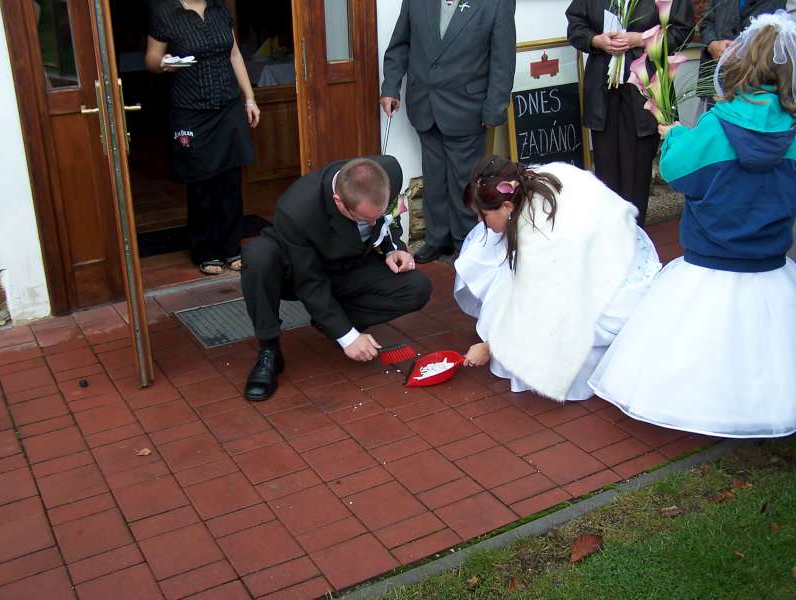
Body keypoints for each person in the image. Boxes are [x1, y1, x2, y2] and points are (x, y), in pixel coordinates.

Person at [589, 12, 796, 438]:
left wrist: (678, 137)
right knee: (768, 346)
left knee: (702, 342)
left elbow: (677, 172)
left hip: (711, 259)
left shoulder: (716, 126)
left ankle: (710, 407)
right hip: (769, 261)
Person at [454, 155, 661, 401]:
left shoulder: (543, 234)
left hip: (606, 272)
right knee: (488, 244)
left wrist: (491, 347)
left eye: (482, 215)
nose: (479, 221)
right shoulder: (527, 184)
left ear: (508, 207)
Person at [241, 156, 432, 401]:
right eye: (364, 219)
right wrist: (347, 337)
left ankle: (333, 322)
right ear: (338, 201)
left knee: (417, 287)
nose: (372, 223)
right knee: (258, 256)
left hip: (349, 263)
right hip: (298, 270)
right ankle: (269, 350)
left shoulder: (388, 172)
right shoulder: (296, 210)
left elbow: (388, 219)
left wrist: (393, 248)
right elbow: (309, 282)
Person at [380, 0, 516, 263]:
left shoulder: (497, 4)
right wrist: (390, 88)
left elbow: (503, 60)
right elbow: (400, 45)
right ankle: (437, 239)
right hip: (424, 103)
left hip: (467, 107)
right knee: (434, 177)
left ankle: (466, 242)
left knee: (464, 180)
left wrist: (494, 109)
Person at [146, 0, 260, 275]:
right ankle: (206, 251)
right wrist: (164, 64)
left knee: (230, 181)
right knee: (201, 182)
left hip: (227, 107)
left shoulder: (220, 10)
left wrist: (249, 98)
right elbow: (151, 60)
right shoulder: (165, 13)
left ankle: (232, 247)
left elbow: (234, 55)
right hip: (190, 110)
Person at [566, 0, 694, 227]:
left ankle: (636, 234)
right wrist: (596, 40)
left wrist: (641, 39)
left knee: (637, 171)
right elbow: (576, 25)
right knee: (606, 171)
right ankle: (610, 233)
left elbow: (682, 31)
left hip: (644, 91)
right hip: (603, 92)